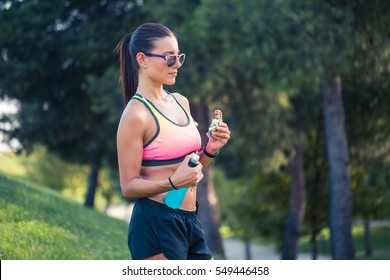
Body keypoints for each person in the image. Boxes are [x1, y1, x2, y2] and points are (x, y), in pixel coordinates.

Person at [115, 23, 230, 260]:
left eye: (179, 58)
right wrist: (172, 182)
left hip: (189, 220)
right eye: (169, 59)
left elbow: (189, 171)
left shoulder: (180, 101)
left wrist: (210, 149)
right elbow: (128, 186)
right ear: (142, 59)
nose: (177, 65)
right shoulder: (135, 115)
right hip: (155, 223)